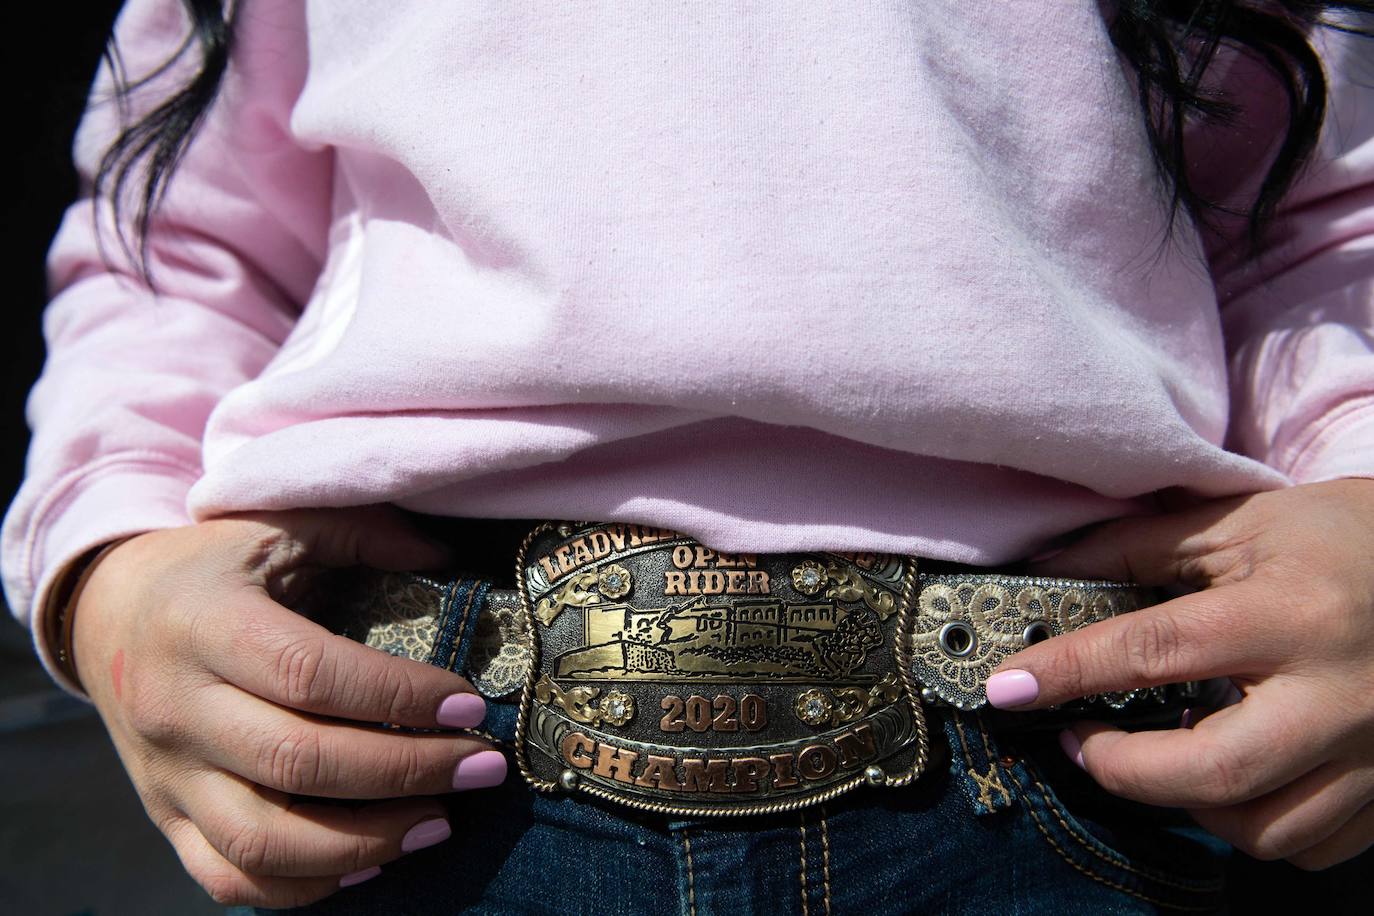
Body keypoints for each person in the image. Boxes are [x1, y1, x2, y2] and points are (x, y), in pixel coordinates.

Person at [6, 0, 1374, 911]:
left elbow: (1321, 221)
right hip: (415, 757)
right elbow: (176, 245)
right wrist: (113, 554)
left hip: (1093, 757)